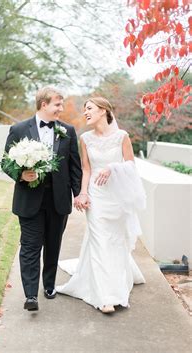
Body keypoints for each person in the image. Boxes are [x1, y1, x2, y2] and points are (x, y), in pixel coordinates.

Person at [56, 96, 146, 314]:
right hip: (96, 195)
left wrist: (112, 168)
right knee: (99, 241)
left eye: (89, 108)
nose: (85, 112)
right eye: (84, 109)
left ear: (104, 110)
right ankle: (106, 297)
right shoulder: (85, 138)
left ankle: (117, 279)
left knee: (115, 240)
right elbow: (86, 169)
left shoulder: (122, 136)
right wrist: (83, 193)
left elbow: (130, 164)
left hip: (117, 196)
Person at [1, 87, 82, 312]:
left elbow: (74, 166)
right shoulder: (18, 129)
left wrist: (79, 194)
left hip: (58, 200)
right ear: (43, 104)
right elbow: (6, 162)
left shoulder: (68, 131)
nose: (61, 109)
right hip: (29, 200)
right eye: (57, 104)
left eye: (62, 104)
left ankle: (48, 285)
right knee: (30, 246)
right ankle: (30, 294)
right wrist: (21, 174)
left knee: (53, 245)